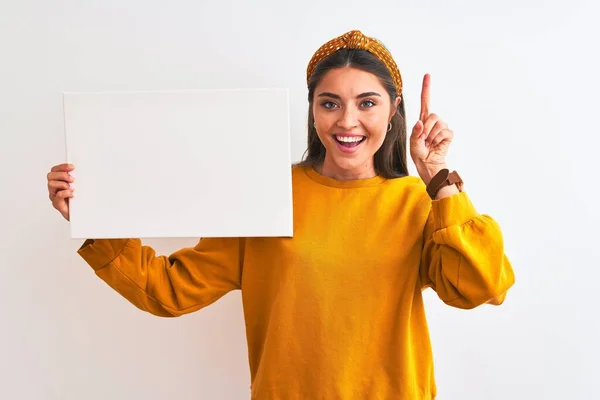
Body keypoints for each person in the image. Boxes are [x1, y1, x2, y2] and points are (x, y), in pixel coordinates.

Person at [47, 30, 515, 399]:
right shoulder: (266, 191)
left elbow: (481, 287)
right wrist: (91, 216)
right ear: (312, 110)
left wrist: (436, 175)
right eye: (329, 103)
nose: (347, 121)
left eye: (366, 103)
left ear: (394, 110)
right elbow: (168, 290)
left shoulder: (419, 201)